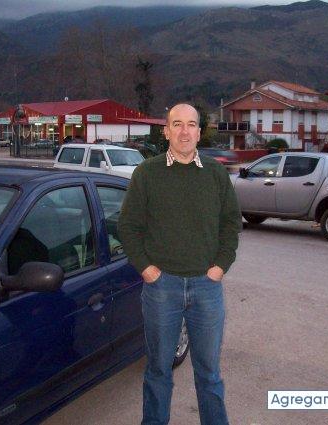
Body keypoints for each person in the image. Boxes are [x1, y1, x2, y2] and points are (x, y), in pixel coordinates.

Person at [118, 103, 241, 425]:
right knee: (158, 370)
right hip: (162, 288)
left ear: (200, 132)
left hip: (206, 287)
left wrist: (220, 266)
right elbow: (128, 226)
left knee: (209, 373)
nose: (184, 131)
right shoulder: (147, 173)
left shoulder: (215, 173)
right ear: (166, 131)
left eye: (191, 124)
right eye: (177, 124)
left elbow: (231, 223)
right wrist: (146, 268)